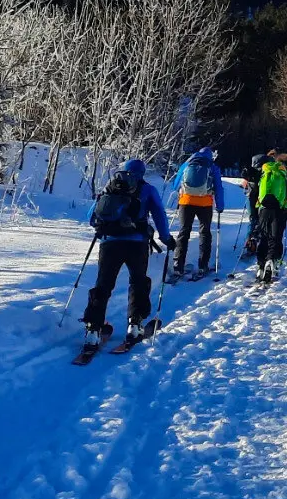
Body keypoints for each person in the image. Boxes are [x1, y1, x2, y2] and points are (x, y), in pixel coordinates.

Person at [83, 158, 173, 348]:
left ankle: (93, 330)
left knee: (103, 285)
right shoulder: (148, 189)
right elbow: (159, 214)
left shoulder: (110, 186)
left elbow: (91, 217)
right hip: (137, 243)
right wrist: (166, 238)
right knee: (138, 282)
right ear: (143, 172)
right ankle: (134, 325)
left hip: (109, 244)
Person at [165, 147, 225, 279]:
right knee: (205, 233)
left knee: (183, 232)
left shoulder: (187, 164)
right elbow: (218, 188)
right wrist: (220, 206)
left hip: (186, 202)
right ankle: (203, 266)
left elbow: (175, 185)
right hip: (204, 203)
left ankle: (178, 265)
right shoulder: (212, 167)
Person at [253, 152, 287, 282]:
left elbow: (253, 187)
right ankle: (271, 260)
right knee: (275, 237)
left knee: (263, 236)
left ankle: (260, 265)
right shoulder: (285, 174)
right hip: (279, 210)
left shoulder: (264, 172)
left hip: (263, 209)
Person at [240, 150, 273, 258]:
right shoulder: (266, 172)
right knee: (263, 222)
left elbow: (244, 186)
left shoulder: (250, 172)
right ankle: (261, 243)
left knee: (252, 220)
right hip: (263, 199)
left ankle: (250, 243)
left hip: (250, 198)